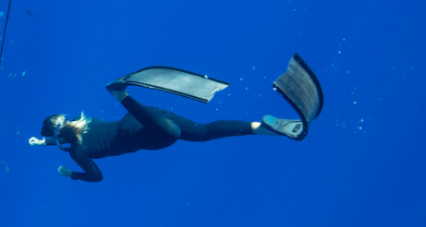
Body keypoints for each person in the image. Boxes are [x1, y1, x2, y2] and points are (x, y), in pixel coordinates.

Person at [29, 82, 307, 183]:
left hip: (144, 134)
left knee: (172, 134)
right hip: (145, 116)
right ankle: (263, 129)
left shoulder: (78, 152)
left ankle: (121, 95)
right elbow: (61, 133)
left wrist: (72, 174)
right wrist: (44, 142)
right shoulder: (81, 120)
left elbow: (97, 177)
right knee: (202, 132)